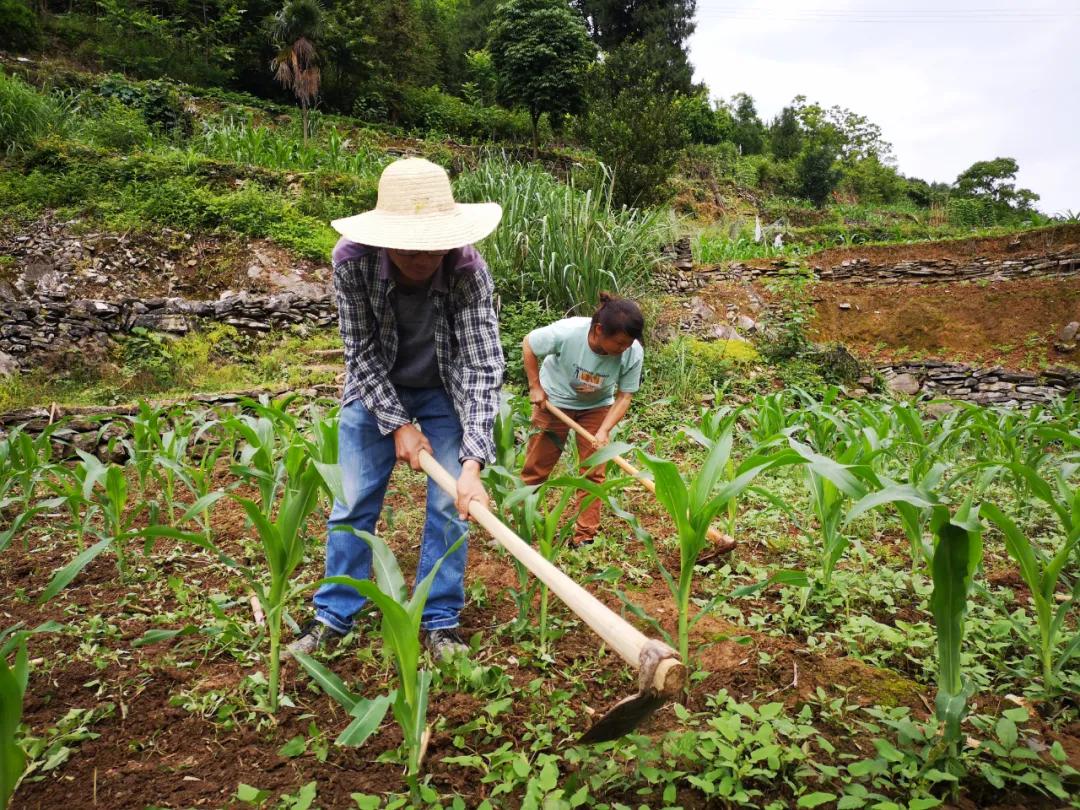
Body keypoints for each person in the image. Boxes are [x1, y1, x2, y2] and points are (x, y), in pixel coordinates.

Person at [288, 157, 505, 659]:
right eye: (411, 246)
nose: (425, 256)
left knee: (453, 505)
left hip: (443, 391)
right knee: (354, 501)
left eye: (434, 245)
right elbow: (359, 351)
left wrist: (471, 464)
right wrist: (398, 424)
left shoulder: (467, 268)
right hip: (374, 389)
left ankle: (440, 621)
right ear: (387, 237)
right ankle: (334, 615)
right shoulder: (352, 261)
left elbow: (481, 365)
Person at [520, 293, 644, 546]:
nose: (624, 349)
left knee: (593, 472)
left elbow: (624, 397)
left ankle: (585, 537)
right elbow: (529, 344)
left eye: (628, 343)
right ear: (599, 330)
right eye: (619, 343)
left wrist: (605, 430)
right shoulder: (567, 333)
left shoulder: (632, 352)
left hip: (596, 407)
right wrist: (535, 386)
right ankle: (521, 522)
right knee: (536, 468)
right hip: (553, 402)